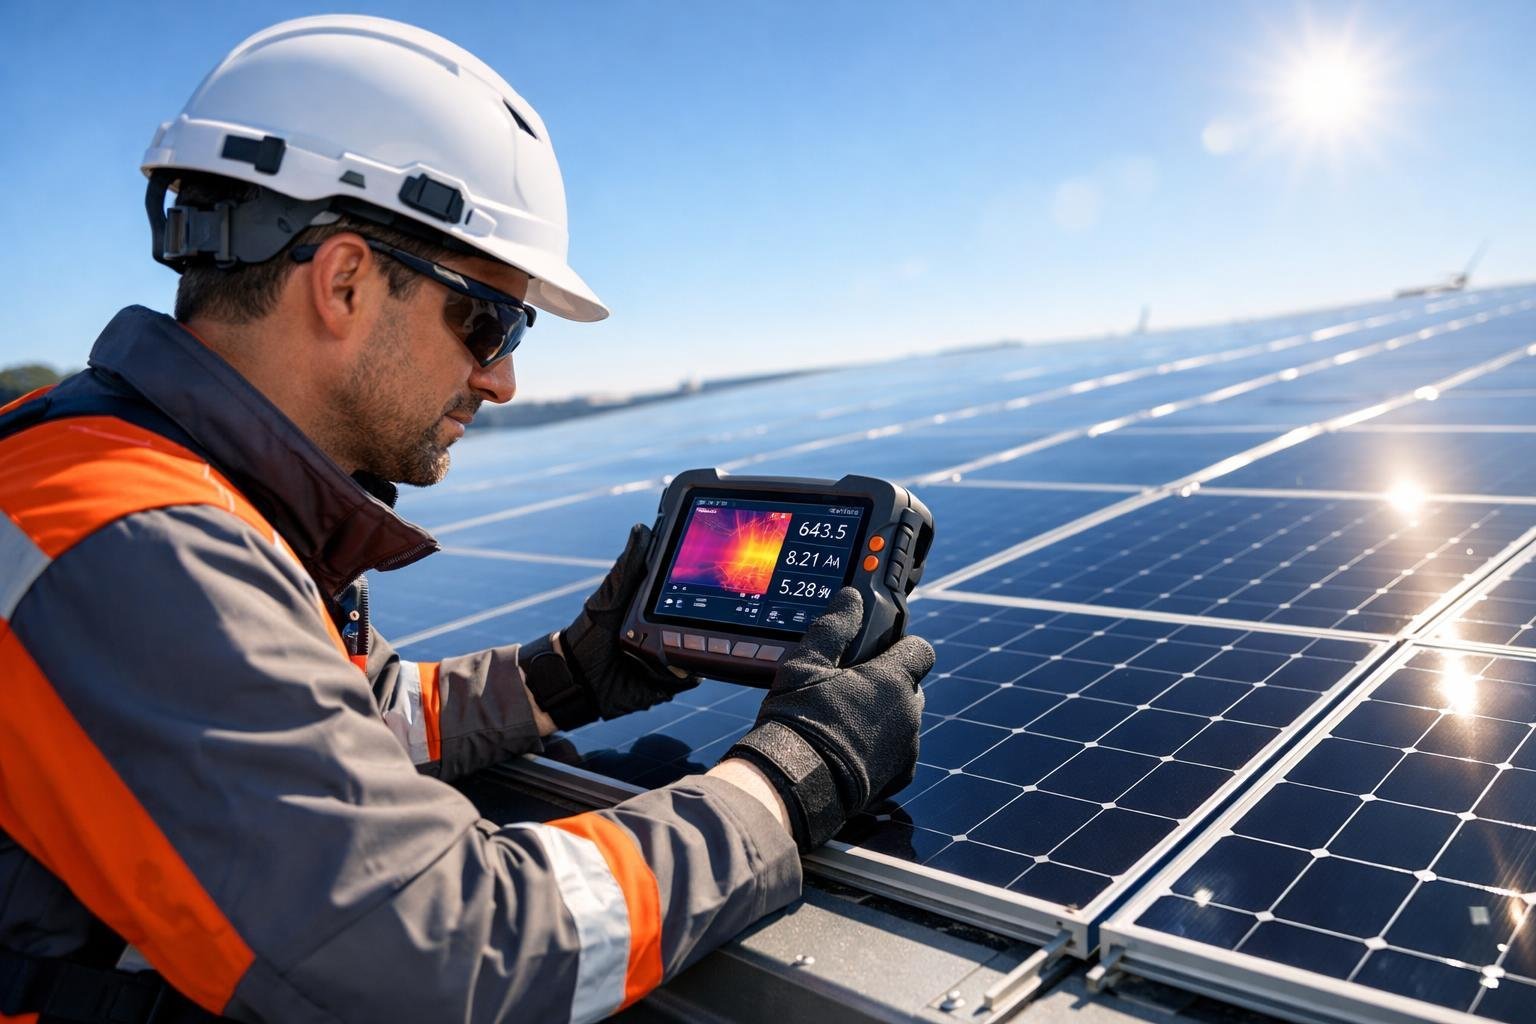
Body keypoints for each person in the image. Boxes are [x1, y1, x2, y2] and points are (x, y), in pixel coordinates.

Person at [0, 15, 933, 1024]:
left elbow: (334, 717)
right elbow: (444, 952)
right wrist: (786, 783)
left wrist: (560, 676)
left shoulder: (115, 465)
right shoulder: (134, 546)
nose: (504, 378)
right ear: (344, 281)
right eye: (491, 321)